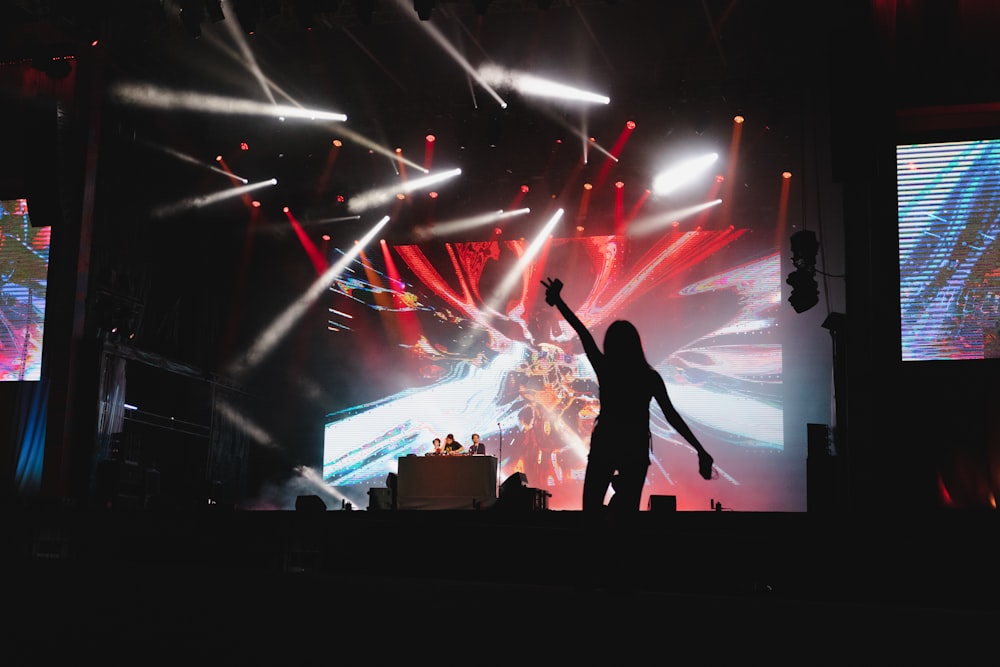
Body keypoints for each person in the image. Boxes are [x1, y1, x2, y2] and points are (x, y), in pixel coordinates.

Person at [540, 276, 714, 514]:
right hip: (635, 445)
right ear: (636, 344)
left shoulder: (606, 369)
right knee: (627, 514)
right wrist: (700, 450)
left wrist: (559, 301)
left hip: (607, 441)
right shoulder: (649, 377)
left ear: (611, 345)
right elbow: (672, 417)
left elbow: (583, 333)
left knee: (590, 509)